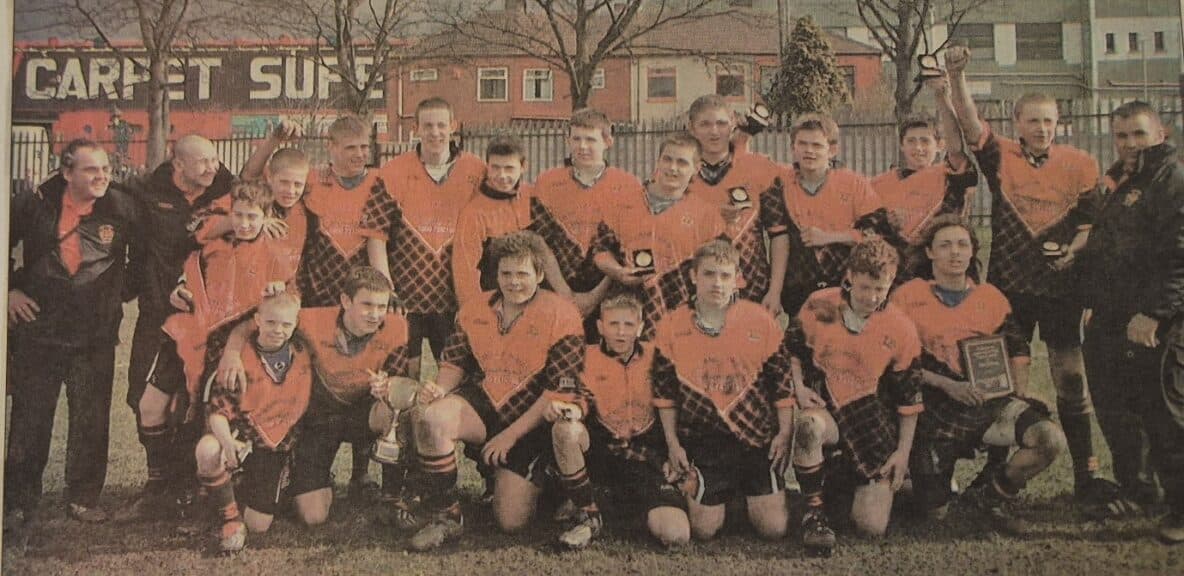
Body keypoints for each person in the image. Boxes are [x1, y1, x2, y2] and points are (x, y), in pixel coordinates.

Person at [945, 45, 1116, 517]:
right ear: (1017, 123)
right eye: (1033, 120)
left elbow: (1089, 225)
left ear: (1058, 124)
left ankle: (1087, 473)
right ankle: (997, 471)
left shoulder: (1080, 163)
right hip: (1009, 289)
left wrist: (1073, 254)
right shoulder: (1000, 155)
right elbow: (968, 120)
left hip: (1061, 290)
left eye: (1049, 121)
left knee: (1070, 379)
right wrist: (958, 74)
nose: (1041, 128)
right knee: (1001, 383)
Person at [126, 181, 296, 523]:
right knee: (150, 405)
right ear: (229, 213)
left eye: (253, 216)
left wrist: (278, 292)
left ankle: (206, 488)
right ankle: (158, 485)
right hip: (189, 334)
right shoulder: (212, 244)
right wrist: (181, 289)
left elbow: (281, 306)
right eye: (239, 215)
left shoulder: (276, 252)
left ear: (266, 217)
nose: (245, 223)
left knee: (206, 413)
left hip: (233, 344)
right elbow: (192, 274)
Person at [408, 231, 586, 551]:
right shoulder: (475, 308)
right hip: (486, 403)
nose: (513, 282)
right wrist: (438, 389)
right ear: (496, 274)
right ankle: (446, 516)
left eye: (522, 274)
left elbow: (555, 393)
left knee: (510, 522)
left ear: (540, 275)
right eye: (506, 273)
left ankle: (548, 482)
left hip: (531, 418)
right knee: (433, 418)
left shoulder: (563, 314)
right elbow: (453, 365)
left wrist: (510, 436)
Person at [892, 215, 1066, 533]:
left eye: (962, 244)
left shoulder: (991, 298)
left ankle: (989, 496)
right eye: (945, 245)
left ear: (973, 251)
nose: (954, 252)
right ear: (929, 252)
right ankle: (917, 484)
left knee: (1048, 439)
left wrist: (1016, 395)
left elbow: (1019, 350)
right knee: (935, 514)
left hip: (986, 405)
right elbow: (894, 360)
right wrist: (947, 384)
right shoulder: (907, 296)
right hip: (931, 411)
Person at [6, 139, 138, 526]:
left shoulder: (123, 207)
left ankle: (83, 498)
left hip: (94, 336)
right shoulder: (34, 203)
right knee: (30, 420)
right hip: (39, 331)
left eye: (105, 170)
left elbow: (150, 255)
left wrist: (115, 296)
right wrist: (8, 290)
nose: (101, 177)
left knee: (91, 420)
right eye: (90, 170)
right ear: (66, 172)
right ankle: (18, 501)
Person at [218, 266, 413, 526]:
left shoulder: (396, 327)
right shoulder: (312, 320)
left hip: (362, 413)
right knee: (313, 516)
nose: (375, 314)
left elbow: (400, 380)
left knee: (399, 412)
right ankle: (292, 473)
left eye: (381, 306)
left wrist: (387, 385)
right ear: (345, 301)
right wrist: (231, 352)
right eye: (367, 305)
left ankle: (394, 495)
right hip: (320, 420)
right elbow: (254, 324)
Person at [1076, 100, 1184, 542]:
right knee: (1121, 409)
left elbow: (1178, 254)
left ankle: (1181, 511)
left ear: (1159, 133)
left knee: (1165, 411)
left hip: (1153, 318)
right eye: (1122, 136)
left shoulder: (1172, 177)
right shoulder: (1123, 178)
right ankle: (1140, 491)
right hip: (1113, 316)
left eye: (1139, 134)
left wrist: (1155, 313)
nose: (1130, 144)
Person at [651, 240, 793, 543]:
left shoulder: (761, 321)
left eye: (725, 276)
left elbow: (782, 384)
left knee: (774, 529)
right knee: (704, 530)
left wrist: (784, 432)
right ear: (693, 276)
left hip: (755, 440)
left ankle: (745, 496)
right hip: (705, 441)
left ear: (738, 278)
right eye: (709, 274)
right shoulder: (672, 325)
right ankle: (712, 492)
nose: (717, 283)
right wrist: (673, 444)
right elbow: (664, 395)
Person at [122, 134, 234, 517]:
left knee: (190, 403)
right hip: (157, 314)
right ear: (177, 162)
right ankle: (159, 485)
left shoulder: (221, 186)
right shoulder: (147, 192)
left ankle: (188, 486)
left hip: (203, 320)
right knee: (144, 398)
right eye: (203, 161)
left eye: (215, 159)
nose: (213, 167)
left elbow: (254, 192)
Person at [787, 238, 922, 552]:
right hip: (827, 411)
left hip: (871, 423)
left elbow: (909, 399)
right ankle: (814, 512)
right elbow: (790, 351)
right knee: (808, 426)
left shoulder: (901, 327)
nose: (872, 297)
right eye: (864, 288)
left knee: (870, 527)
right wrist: (798, 386)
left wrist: (902, 454)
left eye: (881, 288)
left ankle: (852, 484)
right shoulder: (820, 304)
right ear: (848, 276)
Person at [548, 293, 690, 549]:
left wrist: (673, 451)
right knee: (565, 431)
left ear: (641, 327)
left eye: (628, 325)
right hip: (602, 452)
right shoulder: (584, 356)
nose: (621, 332)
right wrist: (570, 410)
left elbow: (676, 407)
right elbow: (580, 398)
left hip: (645, 456)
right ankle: (590, 515)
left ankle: (612, 503)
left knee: (676, 534)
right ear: (600, 326)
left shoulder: (658, 356)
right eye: (613, 324)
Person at [365, 97, 485, 378]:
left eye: (442, 125)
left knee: (456, 377)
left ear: (453, 127)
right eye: (428, 126)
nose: (435, 132)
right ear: (416, 128)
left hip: (454, 297)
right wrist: (387, 289)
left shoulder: (476, 171)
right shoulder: (393, 172)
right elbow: (376, 235)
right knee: (403, 380)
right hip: (406, 296)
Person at [195, 293, 312, 553]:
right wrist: (227, 443)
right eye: (270, 322)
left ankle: (259, 484)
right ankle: (230, 518)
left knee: (259, 524)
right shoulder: (236, 358)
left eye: (285, 324)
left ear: (295, 324)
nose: (278, 330)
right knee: (207, 449)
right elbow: (217, 412)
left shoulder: (302, 352)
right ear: (257, 320)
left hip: (275, 445)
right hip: (242, 436)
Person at [591, 133, 729, 338]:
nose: (672, 168)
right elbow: (600, 250)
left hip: (680, 312)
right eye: (667, 159)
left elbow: (719, 269)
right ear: (658, 162)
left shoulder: (707, 215)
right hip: (626, 314)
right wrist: (618, 271)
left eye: (681, 162)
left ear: (696, 169)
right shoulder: (622, 202)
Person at [771, 113, 888, 318]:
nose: (809, 151)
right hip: (799, 285)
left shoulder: (854, 183)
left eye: (817, 145)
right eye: (803, 144)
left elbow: (879, 234)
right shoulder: (781, 181)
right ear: (793, 148)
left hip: (844, 283)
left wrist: (830, 236)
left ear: (832, 150)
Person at [685, 94, 789, 315]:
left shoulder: (759, 168)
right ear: (691, 128)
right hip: (694, 285)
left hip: (752, 284)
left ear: (733, 124)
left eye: (721, 123)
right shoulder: (679, 172)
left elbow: (779, 234)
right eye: (705, 124)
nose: (714, 132)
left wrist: (775, 291)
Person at [529, 108, 635, 314]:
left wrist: (594, 297)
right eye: (576, 139)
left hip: (608, 291)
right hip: (557, 287)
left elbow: (626, 247)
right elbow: (539, 242)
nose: (582, 146)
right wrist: (565, 294)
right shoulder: (547, 182)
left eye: (591, 139)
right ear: (567, 140)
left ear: (607, 142)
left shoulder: (628, 185)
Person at [870, 78, 977, 245]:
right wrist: (888, 223)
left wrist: (942, 97)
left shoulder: (950, 177)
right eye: (911, 141)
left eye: (925, 141)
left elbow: (956, 149)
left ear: (940, 145)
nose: (918, 148)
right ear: (901, 145)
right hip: (899, 263)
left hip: (943, 259)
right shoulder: (880, 184)